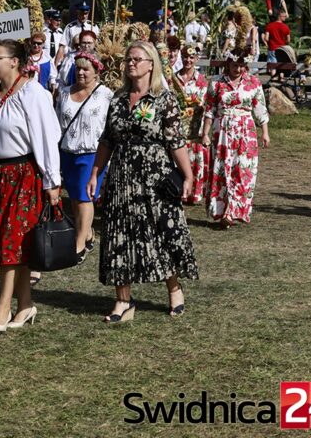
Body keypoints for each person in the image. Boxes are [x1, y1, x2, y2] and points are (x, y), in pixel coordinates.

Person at [87, 41, 198, 324]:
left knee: (161, 230)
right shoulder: (118, 99)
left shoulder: (164, 99)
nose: (131, 63)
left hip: (155, 177)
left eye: (137, 59)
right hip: (122, 176)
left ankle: (174, 289)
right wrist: (95, 173)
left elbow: (175, 141)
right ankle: (123, 299)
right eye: (128, 59)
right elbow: (107, 139)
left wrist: (187, 175)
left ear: (151, 64)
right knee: (118, 234)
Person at [0, 39, 61, 332]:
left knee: (11, 241)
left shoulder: (33, 93)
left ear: (15, 61)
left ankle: (3, 309)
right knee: (14, 244)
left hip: (23, 175)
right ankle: (26, 304)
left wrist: (52, 179)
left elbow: (46, 136)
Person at [200, 47, 271, 228]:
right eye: (234, 65)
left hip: (246, 131)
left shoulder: (253, 82)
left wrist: (265, 132)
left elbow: (260, 108)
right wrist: (205, 133)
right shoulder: (216, 82)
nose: (238, 69)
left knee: (242, 168)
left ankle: (237, 210)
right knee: (222, 168)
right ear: (227, 64)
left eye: (241, 66)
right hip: (222, 129)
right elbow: (210, 109)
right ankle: (224, 211)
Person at [56, 52, 113, 261]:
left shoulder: (106, 95)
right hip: (66, 151)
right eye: (78, 68)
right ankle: (87, 233)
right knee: (73, 196)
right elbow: (57, 122)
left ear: (96, 72)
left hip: (92, 153)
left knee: (84, 196)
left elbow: (111, 125)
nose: (80, 72)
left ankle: (79, 244)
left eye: (85, 69)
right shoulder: (63, 92)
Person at [176, 45, 210, 204]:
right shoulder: (174, 79)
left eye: (191, 57)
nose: (188, 60)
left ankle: (195, 193)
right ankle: (178, 190)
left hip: (195, 126)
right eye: (185, 57)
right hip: (178, 126)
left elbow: (207, 103)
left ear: (196, 59)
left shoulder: (202, 81)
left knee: (195, 159)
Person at [56, 1, 99, 67]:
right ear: (77, 12)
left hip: (90, 60)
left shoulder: (93, 26)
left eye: (86, 13)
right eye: (81, 14)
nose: (84, 16)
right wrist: (56, 65)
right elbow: (62, 46)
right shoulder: (70, 27)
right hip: (73, 59)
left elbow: (98, 45)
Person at [263, 10, 290, 78]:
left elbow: (266, 38)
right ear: (279, 16)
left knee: (273, 65)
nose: (285, 17)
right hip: (282, 49)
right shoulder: (286, 27)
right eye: (284, 16)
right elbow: (288, 40)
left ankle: (274, 79)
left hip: (272, 48)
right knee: (281, 65)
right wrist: (284, 42)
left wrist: (270, 42)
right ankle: (281, 79)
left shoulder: (270, 26)